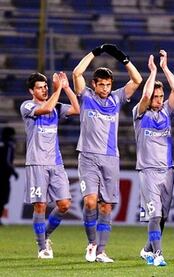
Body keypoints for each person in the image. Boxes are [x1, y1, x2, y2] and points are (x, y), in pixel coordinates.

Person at [72, 44, 142, 263]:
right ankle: (92, 244)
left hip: (111, 157)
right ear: (94, 84)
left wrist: (123, 58)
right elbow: (76, 73)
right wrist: (96, 51)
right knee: (91, 202)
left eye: (108, 84)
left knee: (106, 205)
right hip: (88, 156)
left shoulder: (116, 99)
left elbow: (138, 80)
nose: (104, 88)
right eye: (101, 84)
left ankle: (101, 251)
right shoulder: (86, 97)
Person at [20, 72, 80, 259]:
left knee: (64, 204)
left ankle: (44, 236)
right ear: (32, 90)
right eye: (40, 87)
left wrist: (67, 87)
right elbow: (45, 109)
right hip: (37, 162)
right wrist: (58, 89)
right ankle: (42, 248)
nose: (44, 89)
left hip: (56, 162)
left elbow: (77, 109)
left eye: (46, 86)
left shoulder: (57, 106)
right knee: (40, 205)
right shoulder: (27, 106)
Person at [133, 50, 174, 267]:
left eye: (161, 97)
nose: (160, 100)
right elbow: (144, 97)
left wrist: (164, 68)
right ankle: (159, 254)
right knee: (154, 215)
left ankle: (146, 249)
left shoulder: (166, 112)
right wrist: (152, 72)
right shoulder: (140, 114)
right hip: (148, 171)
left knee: (162, 217)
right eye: (156, 96)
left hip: (168, 171)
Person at [0, 127, 18, 225]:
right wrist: (14, 172)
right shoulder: (9, 145)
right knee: (3, 198)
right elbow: (7, 161)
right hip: (3, 176)